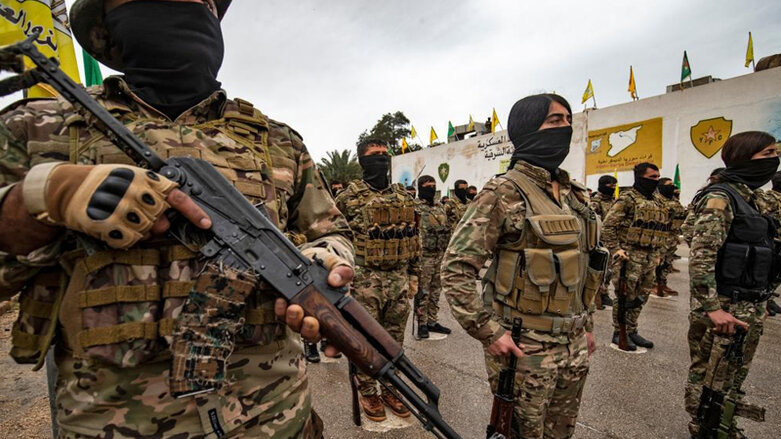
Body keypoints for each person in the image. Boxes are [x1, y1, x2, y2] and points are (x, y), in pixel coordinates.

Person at [0, 1, 356, 438]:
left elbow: (331, 230)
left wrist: (326, 256)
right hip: (112, 424)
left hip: (276, 419)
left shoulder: (276, 140)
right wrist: (45, 196)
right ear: (109, 23)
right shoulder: (42, 128)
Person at [442, 94, 600, 438]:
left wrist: (587, 325)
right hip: (524, 345)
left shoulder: (576, 195)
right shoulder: (504, 192)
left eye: (567, 120)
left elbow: (586, 269)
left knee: (560, 433)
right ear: (527, 130)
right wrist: (488, 332)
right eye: (554, 121)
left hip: (573, 342)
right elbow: (456, 269)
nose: (565, 127)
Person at [684, 131, 779, 437]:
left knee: (733, 374)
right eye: (767, 154)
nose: (774, 160)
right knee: (710, 375)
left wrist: (761, 301)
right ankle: (705, 426)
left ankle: (724, 424)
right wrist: (712, 308)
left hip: (748, 303)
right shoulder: (721, 198)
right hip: (723, 305)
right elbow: (701, 258)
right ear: (743, 156)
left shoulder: (755, 199)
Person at [334, 138, 420, 422]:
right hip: (364, 281)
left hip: (398, 279)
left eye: (386, 154)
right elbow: (333, 238)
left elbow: (412, 238)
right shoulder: (348, 198)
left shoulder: (404, 197)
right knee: (364, 341)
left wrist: (414, 276)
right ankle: (368, 390)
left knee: (394, 340)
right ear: (362, 161)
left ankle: (391, 388)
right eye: (375, 155)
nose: (382, 159)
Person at [602, 162, 668, 351]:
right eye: (652, 177)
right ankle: (619, 332)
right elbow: (608, 226)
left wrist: (658, 254)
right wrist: (615, 249)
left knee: (642, 296)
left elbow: (661, 228)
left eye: (657, 177)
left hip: (650, 256)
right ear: (640, 177)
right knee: (625, 296)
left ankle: (632, 329)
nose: (656, 181)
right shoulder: (627, 199)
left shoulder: (658, 201)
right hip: (628, 256)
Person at [414, 175, 452, 339]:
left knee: (436, 290)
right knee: (423, 291)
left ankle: (432, 321)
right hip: (424, 256)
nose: (431, 188)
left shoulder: (439, 206)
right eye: (428, 185)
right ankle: (422, 324)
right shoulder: (414, 206)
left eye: (433, 185)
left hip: (439, 254)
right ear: (421, 187)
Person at [653, 177, 684, 297]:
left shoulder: (674, 200)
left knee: (667, 262)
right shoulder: (657, 201)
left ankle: (663, 283)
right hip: (661, 237)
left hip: (673, 236)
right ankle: (654, 285)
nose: (672, 186)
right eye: (669, 184)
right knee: (658, 263)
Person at [590, 175, 618, 309]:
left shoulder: (615, 202)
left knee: (610, 271)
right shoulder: (595, 202)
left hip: (612, 242)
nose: (613, 188)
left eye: (614, 186)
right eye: (610, 186)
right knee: (600, 271)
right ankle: (595, 295)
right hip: (599, 243)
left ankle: (604, 292)